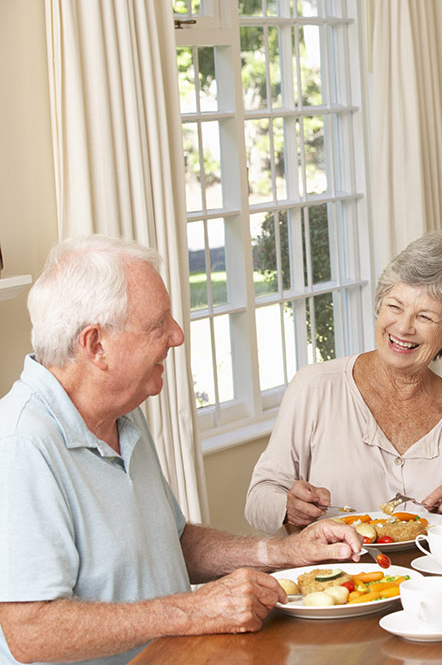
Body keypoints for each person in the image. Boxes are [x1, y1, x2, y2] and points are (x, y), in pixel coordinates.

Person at [0, 236, 363, 665]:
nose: (177, 336)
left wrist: (283, 553)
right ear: (96, 345)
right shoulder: (21, 444)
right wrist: (194, 609)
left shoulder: (123, 413)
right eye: (158, 325)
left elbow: (173, 543)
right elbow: (31, 631)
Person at [246, 232, 442, 532]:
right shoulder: (315, 388)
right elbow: (258, 499)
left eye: (425, 317)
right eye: (395, 306)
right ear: (379, 307)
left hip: (435, 579)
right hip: (335, 575)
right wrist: (288, 508)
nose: (404, 327)